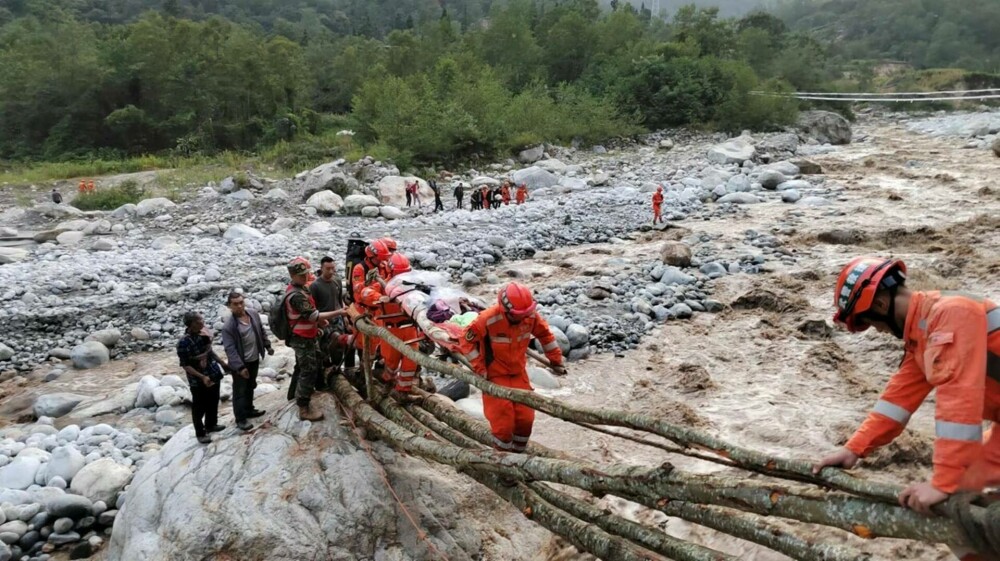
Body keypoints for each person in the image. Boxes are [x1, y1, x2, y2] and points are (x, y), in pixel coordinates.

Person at [813, 257, 1000, 527]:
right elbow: (896, 402)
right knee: (962, 515)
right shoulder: (923, 332)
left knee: (956, 502)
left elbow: (959, 399)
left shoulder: (951, 315)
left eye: (871, 323)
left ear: (880, 305)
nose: (878, 330)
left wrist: (946, 482)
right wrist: (854, 448)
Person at [461, 283, 567, 457]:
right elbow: (466, 341)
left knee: (526, 420)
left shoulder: (530, 316)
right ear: (505, 310)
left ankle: (518, 457)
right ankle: (503, 461)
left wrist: (556, 359)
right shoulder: (488, 319)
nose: (523, 318)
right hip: (495, 376)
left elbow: (546, 336)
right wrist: (480, 368)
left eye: (526, 314)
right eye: (519, 315)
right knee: (503, 425)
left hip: (519, 375)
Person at [286, 257, 344, 421]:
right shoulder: (296, 295)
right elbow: (312, 314)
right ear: (293, 275)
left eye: (306, 274)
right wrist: (338, 313)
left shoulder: (302, 289)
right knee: (307, 370)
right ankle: (303, 407)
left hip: (309, 335)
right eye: (302, 275)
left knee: (308, 364)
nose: (306, 277)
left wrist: (320, 322)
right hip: (302, 338)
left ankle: (294, 394)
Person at [359, 253, 423, 402]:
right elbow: (365, 292)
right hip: (391, 329)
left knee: (411, 361)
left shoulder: (413, 285)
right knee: (391, 363)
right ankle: (388, 384)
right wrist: (380, 298)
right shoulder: (384, 285)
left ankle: (403, 392)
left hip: (410, 329)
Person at [221, 292, 273, 431]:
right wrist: (240, 367)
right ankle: (241, 419)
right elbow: (230, 349)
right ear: (229, 306)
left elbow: (261, 331)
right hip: (241, 363)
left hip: (254, 358)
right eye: (235, 304)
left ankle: (249, 409)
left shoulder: (252, 314)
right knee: (239, 391)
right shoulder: (229, 326)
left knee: (251, 385)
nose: (239, 306)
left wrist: (267, 345)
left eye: (241, 302)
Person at [177, 312, 229, 444]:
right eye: (199, 321)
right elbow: (186, 365)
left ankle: (211, 424)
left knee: (213, 400)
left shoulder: (203, 334)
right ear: (191, 324)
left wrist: (222, 363)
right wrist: (202, 377)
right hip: (198, 380)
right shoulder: (183, 343)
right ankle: (200, 433)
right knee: (199, 407)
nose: (202, 322)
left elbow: (209, 352)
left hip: (212, 372)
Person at [311, 256, 348, 389]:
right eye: (328, 269)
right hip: (323, 321)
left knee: (339, 346)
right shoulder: (315, 286)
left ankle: (337, 372)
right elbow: (312, 309)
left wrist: (345, 319)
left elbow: (339, 301)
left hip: (337, 319)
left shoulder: (337, 281)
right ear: (321, 268)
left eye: (333, 268)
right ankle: (322, 380)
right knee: (323, 353)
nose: (331, 271)